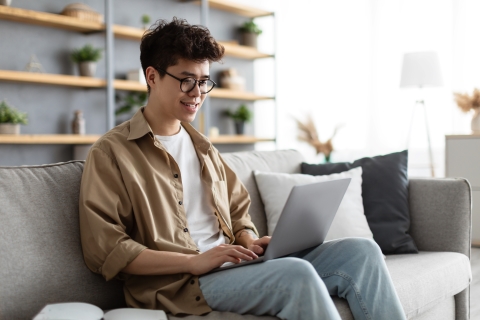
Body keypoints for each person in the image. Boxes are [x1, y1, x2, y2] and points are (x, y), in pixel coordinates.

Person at [79, 18, 406, 320]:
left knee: (361, 252)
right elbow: (106, 249)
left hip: (233, 266)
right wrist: (194, 261)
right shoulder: (112, 153)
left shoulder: (204, 148)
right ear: (152, 76)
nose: (197, 94)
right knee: (296, 274)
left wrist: (248, 239)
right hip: (180, 285)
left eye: (204, 82)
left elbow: (238, 211)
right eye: (186, 81)